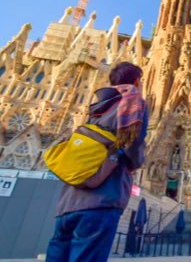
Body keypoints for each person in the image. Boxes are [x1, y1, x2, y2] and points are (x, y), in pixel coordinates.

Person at [46, 62, 148, 262]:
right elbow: (132, 145)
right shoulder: (133, 104)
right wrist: (135, 162)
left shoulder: (97, 108)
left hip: (68, 202)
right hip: (100, 200)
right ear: (136, 81)